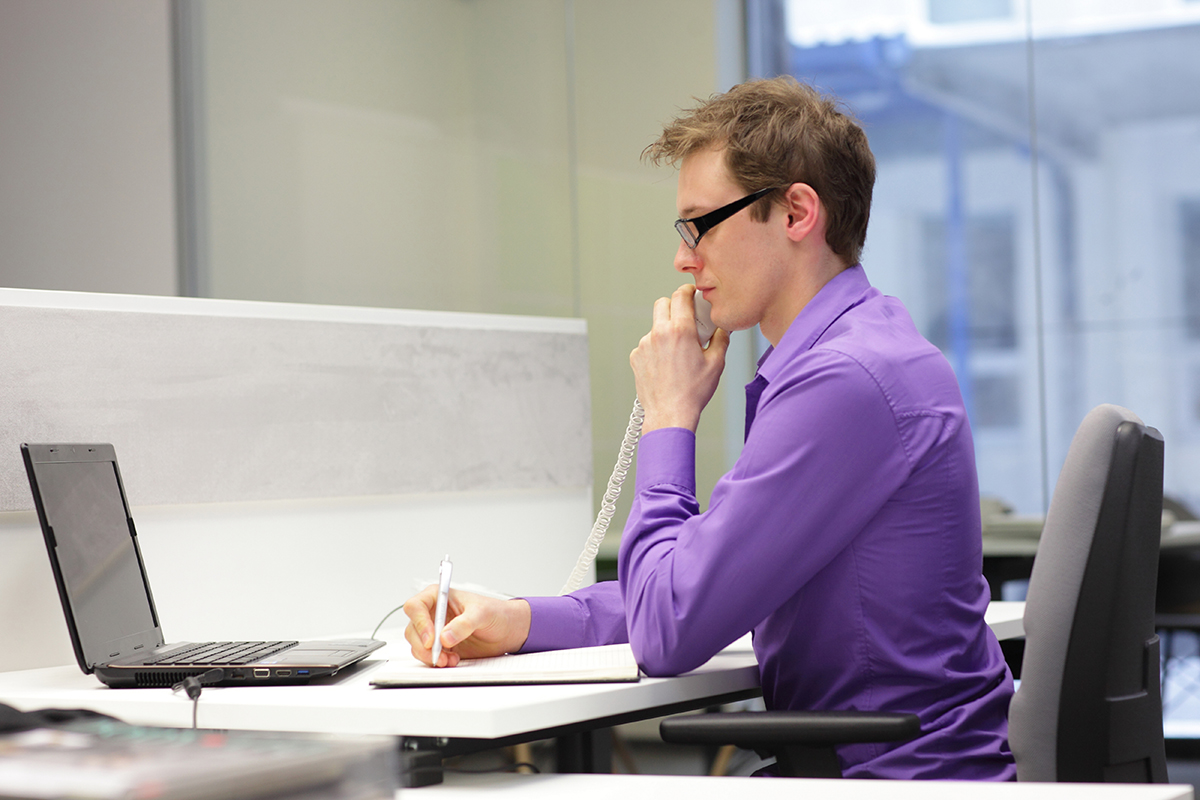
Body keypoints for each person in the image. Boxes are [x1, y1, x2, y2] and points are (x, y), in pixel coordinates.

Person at [404, 76, 1015, 780]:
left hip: (892, 781)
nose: (684, 257)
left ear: (795, 212)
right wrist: (520, 620)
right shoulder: (856, 352)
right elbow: (703, 579)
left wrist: (668, 417)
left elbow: (671, 628)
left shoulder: (846, 382)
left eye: (702, 222)